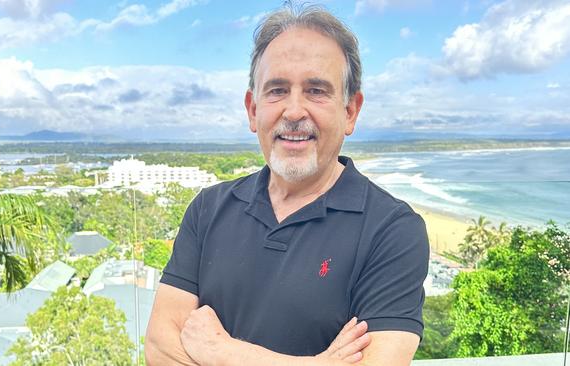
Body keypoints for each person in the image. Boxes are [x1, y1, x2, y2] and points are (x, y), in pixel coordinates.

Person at [145, 4, 429, 365]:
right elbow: (160, 348)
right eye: (277, 90)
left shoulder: (392, 230)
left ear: (350, 112)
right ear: (253, 110)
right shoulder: (208, 209)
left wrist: (222, 351)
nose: (294, 112)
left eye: (316, 91)